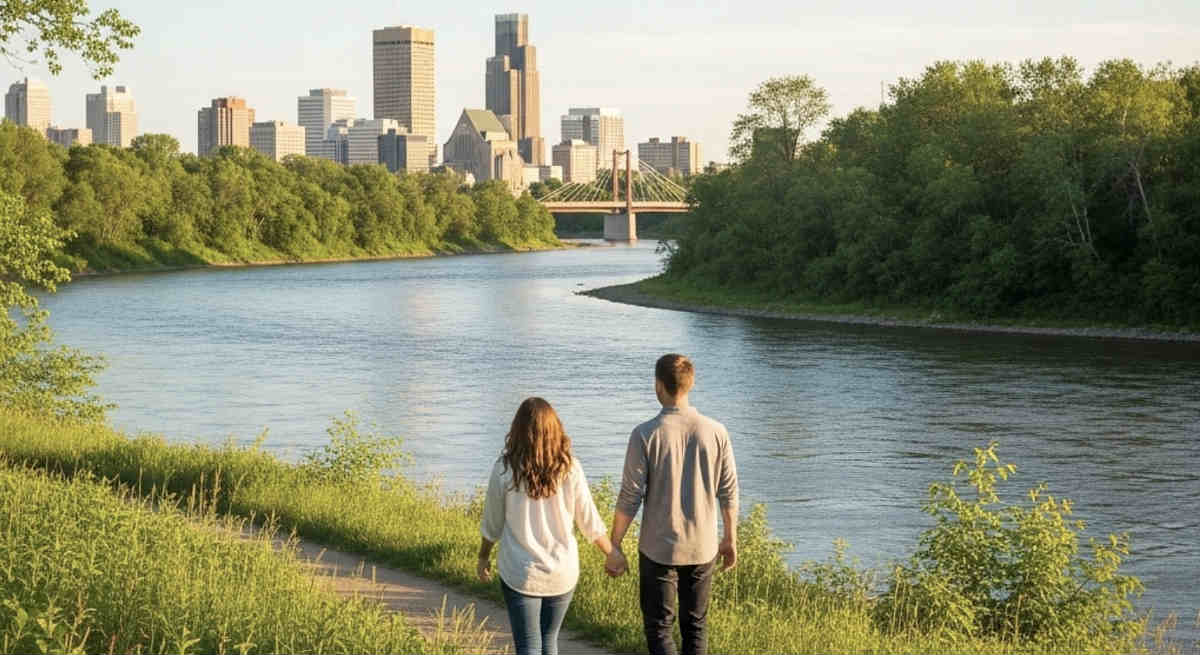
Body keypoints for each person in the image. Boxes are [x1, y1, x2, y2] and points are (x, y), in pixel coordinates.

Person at [605, 354, 739, 655]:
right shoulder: (717, 432)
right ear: (690, 385)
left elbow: (630, 495)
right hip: (703, 547)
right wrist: (730, 537)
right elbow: (728, 490)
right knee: (696, 626)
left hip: (659, 548)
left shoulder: (644, 434)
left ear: (658, 386)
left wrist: (615, 544)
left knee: (659, 627)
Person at [478, 397, 614, 655]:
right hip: (562, 572)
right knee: (549, 641)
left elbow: (492, 524)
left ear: (517, 430)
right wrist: (612, 553)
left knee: (528, 644)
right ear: (555, 429)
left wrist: (483, 557)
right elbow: (590, 521)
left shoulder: (505, 470)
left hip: (521, 572)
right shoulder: (570, 468)